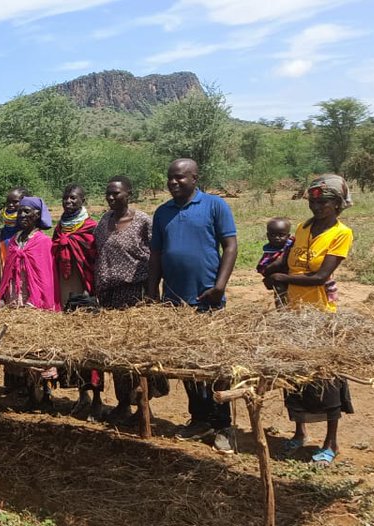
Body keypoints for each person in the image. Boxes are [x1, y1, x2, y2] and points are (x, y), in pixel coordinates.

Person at [148, 158, 239, 453]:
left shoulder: (214, 205)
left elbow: (231, 245)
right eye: (170, 179)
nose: (174, 183)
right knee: (186, 363)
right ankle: (199, 419)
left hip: (206, 299)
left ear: (195, 178)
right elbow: (157, 255)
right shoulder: (162, 212)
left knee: (214, 363)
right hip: (174, 301)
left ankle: (223, 425)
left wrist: (220, 286)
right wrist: (153, 290)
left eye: (180, 178)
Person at [266, 174, 355, 466]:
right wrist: (269, 269)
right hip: (292, 313)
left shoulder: (341, 233)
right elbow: (287, 259)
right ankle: (299, 433)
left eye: (324, 202)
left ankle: (331, 442)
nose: (317, 206)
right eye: (314, 201)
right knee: (294, 376)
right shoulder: (303, 228)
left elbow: (320, 276)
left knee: (326, 379)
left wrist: (281, 276)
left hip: (320, 315)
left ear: (338, 205)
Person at [93, 176, 167, 427]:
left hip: (135, 293)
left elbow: (156, 256)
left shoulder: (143, 221)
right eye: (108, 194)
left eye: (117, 193)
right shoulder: (104, 221)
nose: (112, 198)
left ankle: (144, 406)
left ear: (129, 194)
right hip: (110, 296)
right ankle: (123, 403)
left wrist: (151, 292)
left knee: (138, 351)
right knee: (116, 354)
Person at [0, 196, 60, 410]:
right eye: (21, 212)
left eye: (27, 212)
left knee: (40, 344)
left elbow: (46, 275)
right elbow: (7, 270)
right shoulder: (14, 240)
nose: (22, 216)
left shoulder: (43, 241)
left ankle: (46, 393)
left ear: (37, 216)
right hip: (17, 298)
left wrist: (44, 301)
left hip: (36, 299)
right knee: (22, 344)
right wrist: (4, 297)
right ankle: (31, 393)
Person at [51, 185, 100, 419]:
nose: (68, 201)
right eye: (65, 198)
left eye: (73, 198)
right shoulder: (60, 227)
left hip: (85, 288)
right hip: (65, 289)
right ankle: (82, 395)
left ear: (83, 200)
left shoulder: (91, 226)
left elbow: (95, 259)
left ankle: (97, 398)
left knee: (89, 342)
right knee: (70, 342)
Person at [258, 218, 293, 308]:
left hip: (293, 276)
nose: (277, 238)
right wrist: (277, 264)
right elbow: (263, 268)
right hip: (278, 279)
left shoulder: (292, 245)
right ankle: (281, 311)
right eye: (273, 235)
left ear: (288, 235)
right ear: (268, 236)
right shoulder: (270, 251)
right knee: (279, 290)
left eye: (281, 235)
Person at [0, 187, 29, 263]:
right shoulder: (1, 233)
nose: (10, 205)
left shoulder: (27, 229)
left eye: (15, 202)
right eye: (8, 202)